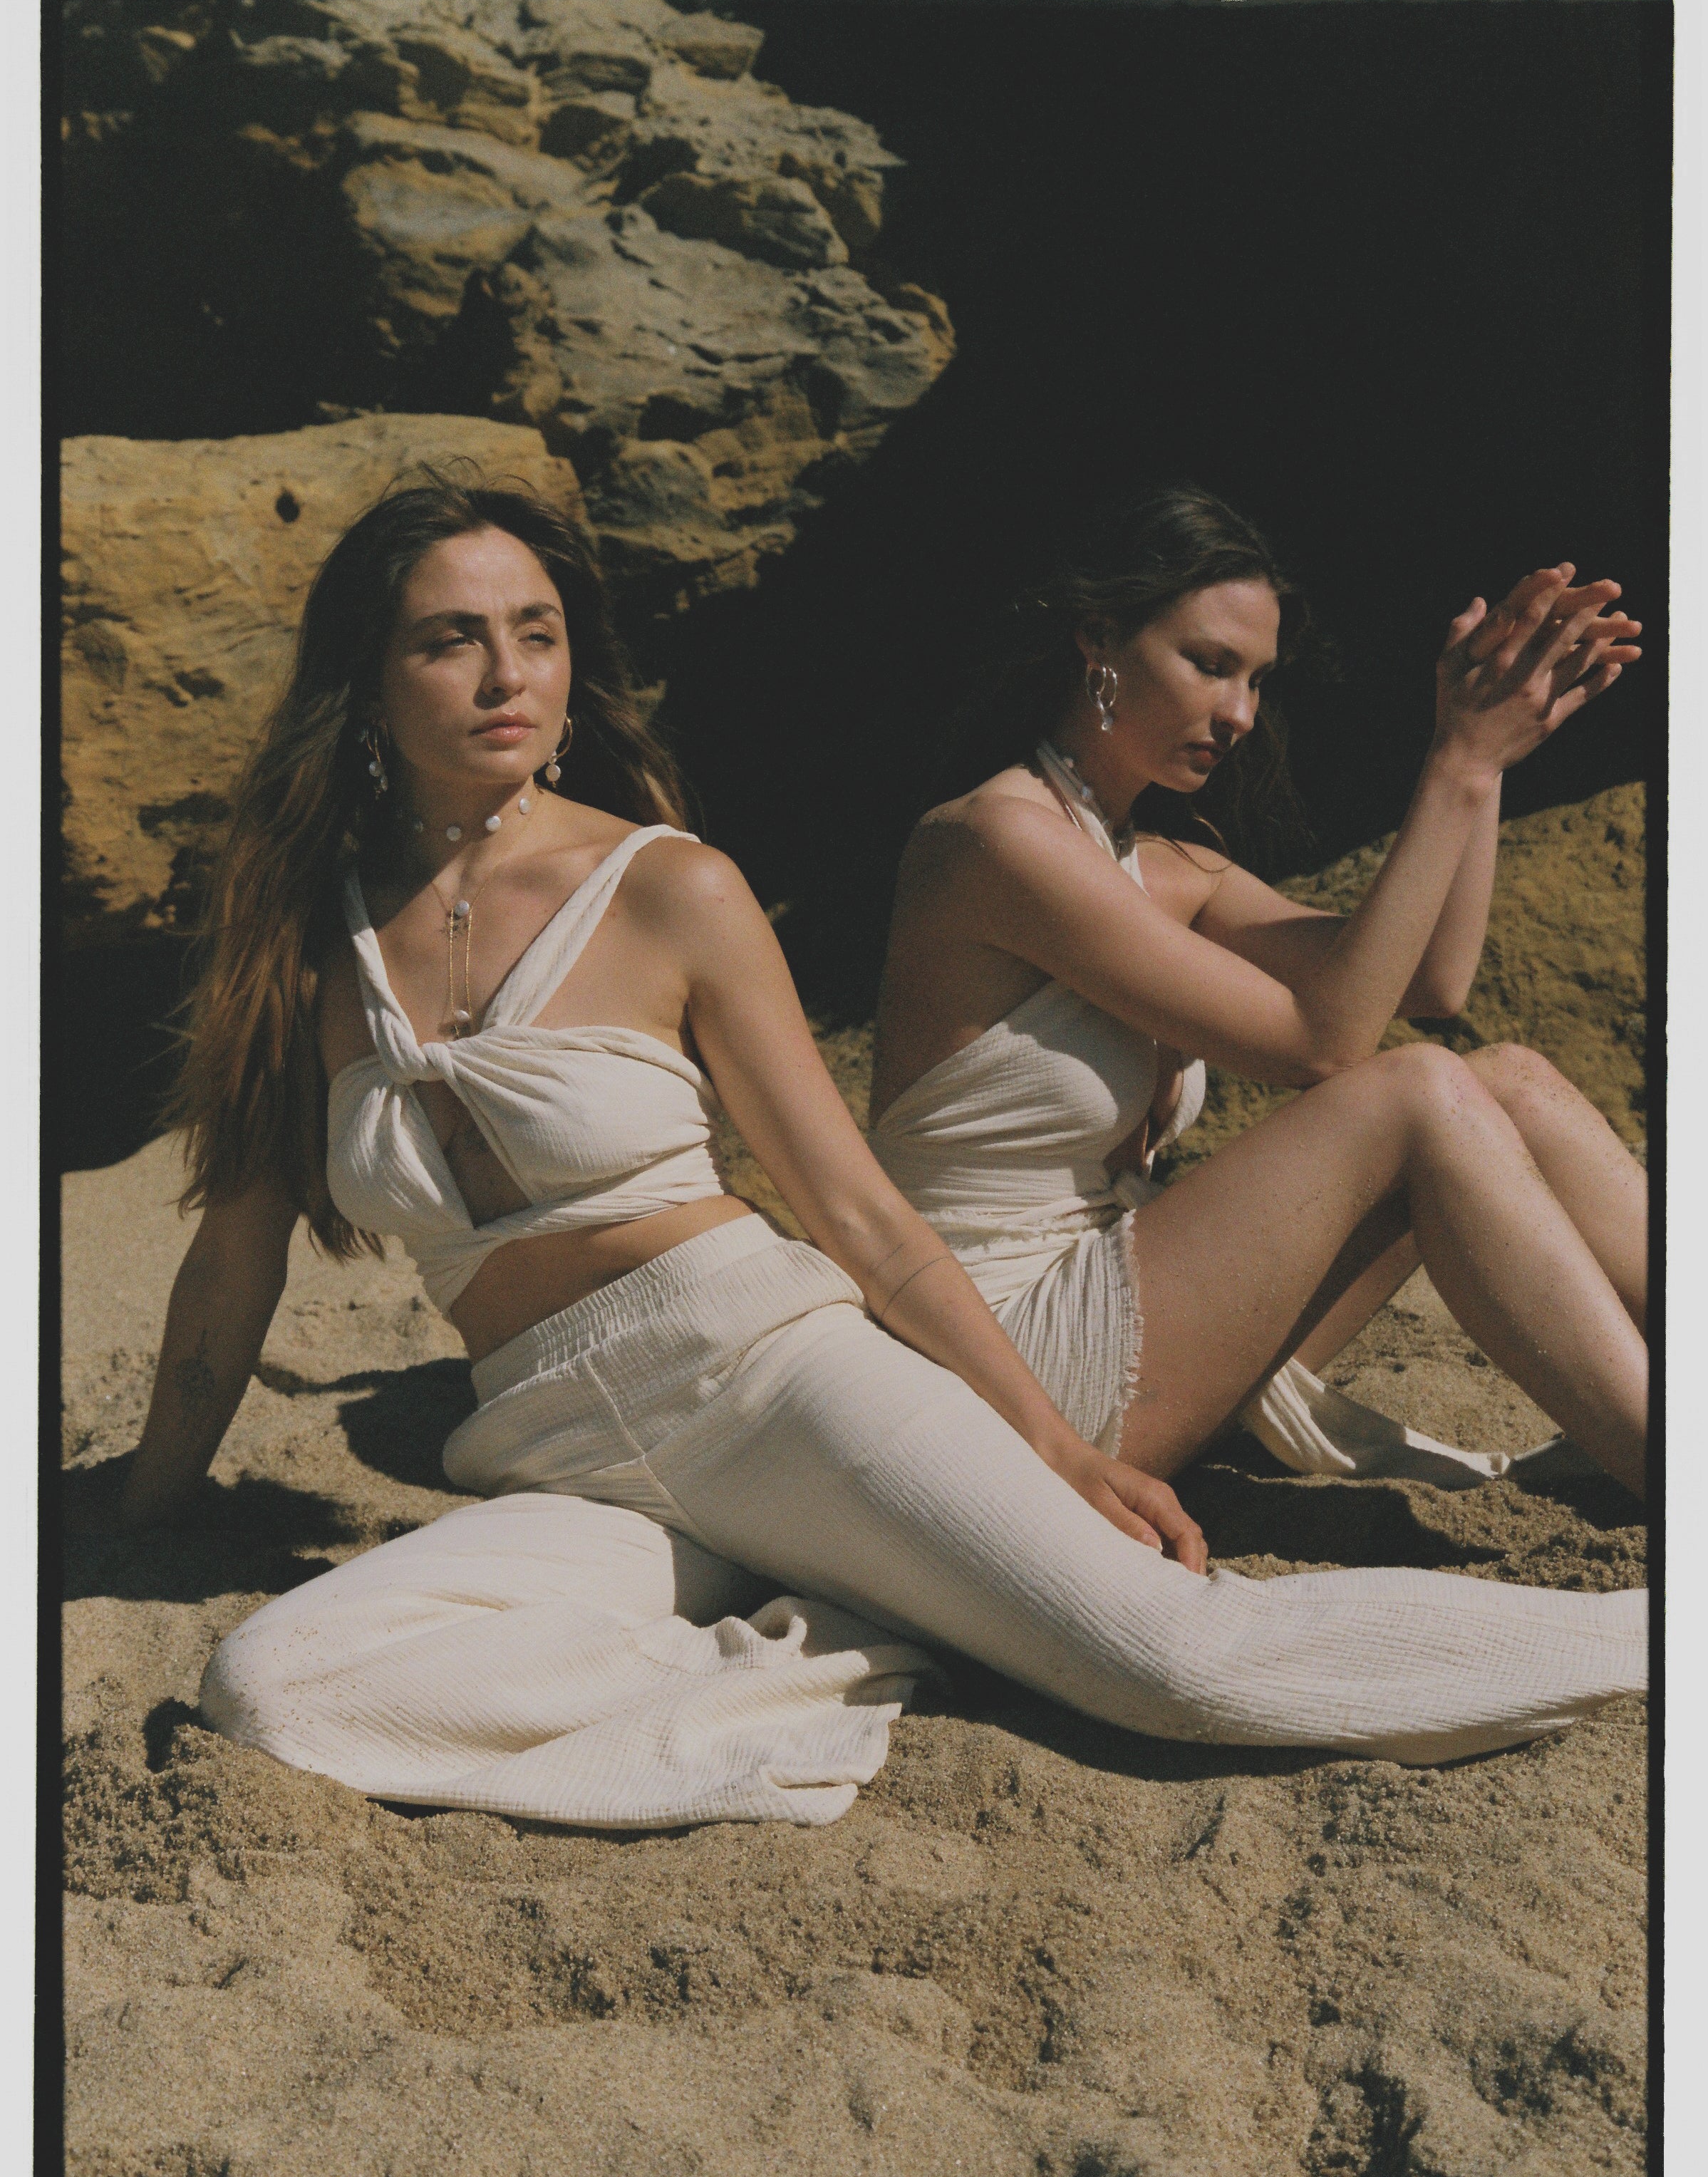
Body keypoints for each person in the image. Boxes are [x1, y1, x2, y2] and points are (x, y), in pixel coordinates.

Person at [118, 477, 1644, 1833]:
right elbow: (233, 1261)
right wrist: (138, 1515)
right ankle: (813, 1627)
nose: (506, 674)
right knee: (275, 1682)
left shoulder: (668, 887)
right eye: (451, 640)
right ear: (367, 679)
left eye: (536, 632)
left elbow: (855, 1211)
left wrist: (1051, 1452)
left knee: (1178, 1668)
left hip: (768, 1374)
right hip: (556, 1448)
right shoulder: (306, 945)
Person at [868, 485, 1647, 1503]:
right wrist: (1458, 766)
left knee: (1511, 1083)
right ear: (1097, 640)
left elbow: (1431, 980)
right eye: (1209, 664)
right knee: (1417, 1092)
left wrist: (1478, 751)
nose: (1239, 713)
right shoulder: (993, 841)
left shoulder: (1158, 863)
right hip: (998, 1354)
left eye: (1256, 680)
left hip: (1138, 1305)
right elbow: (1324, 1044)